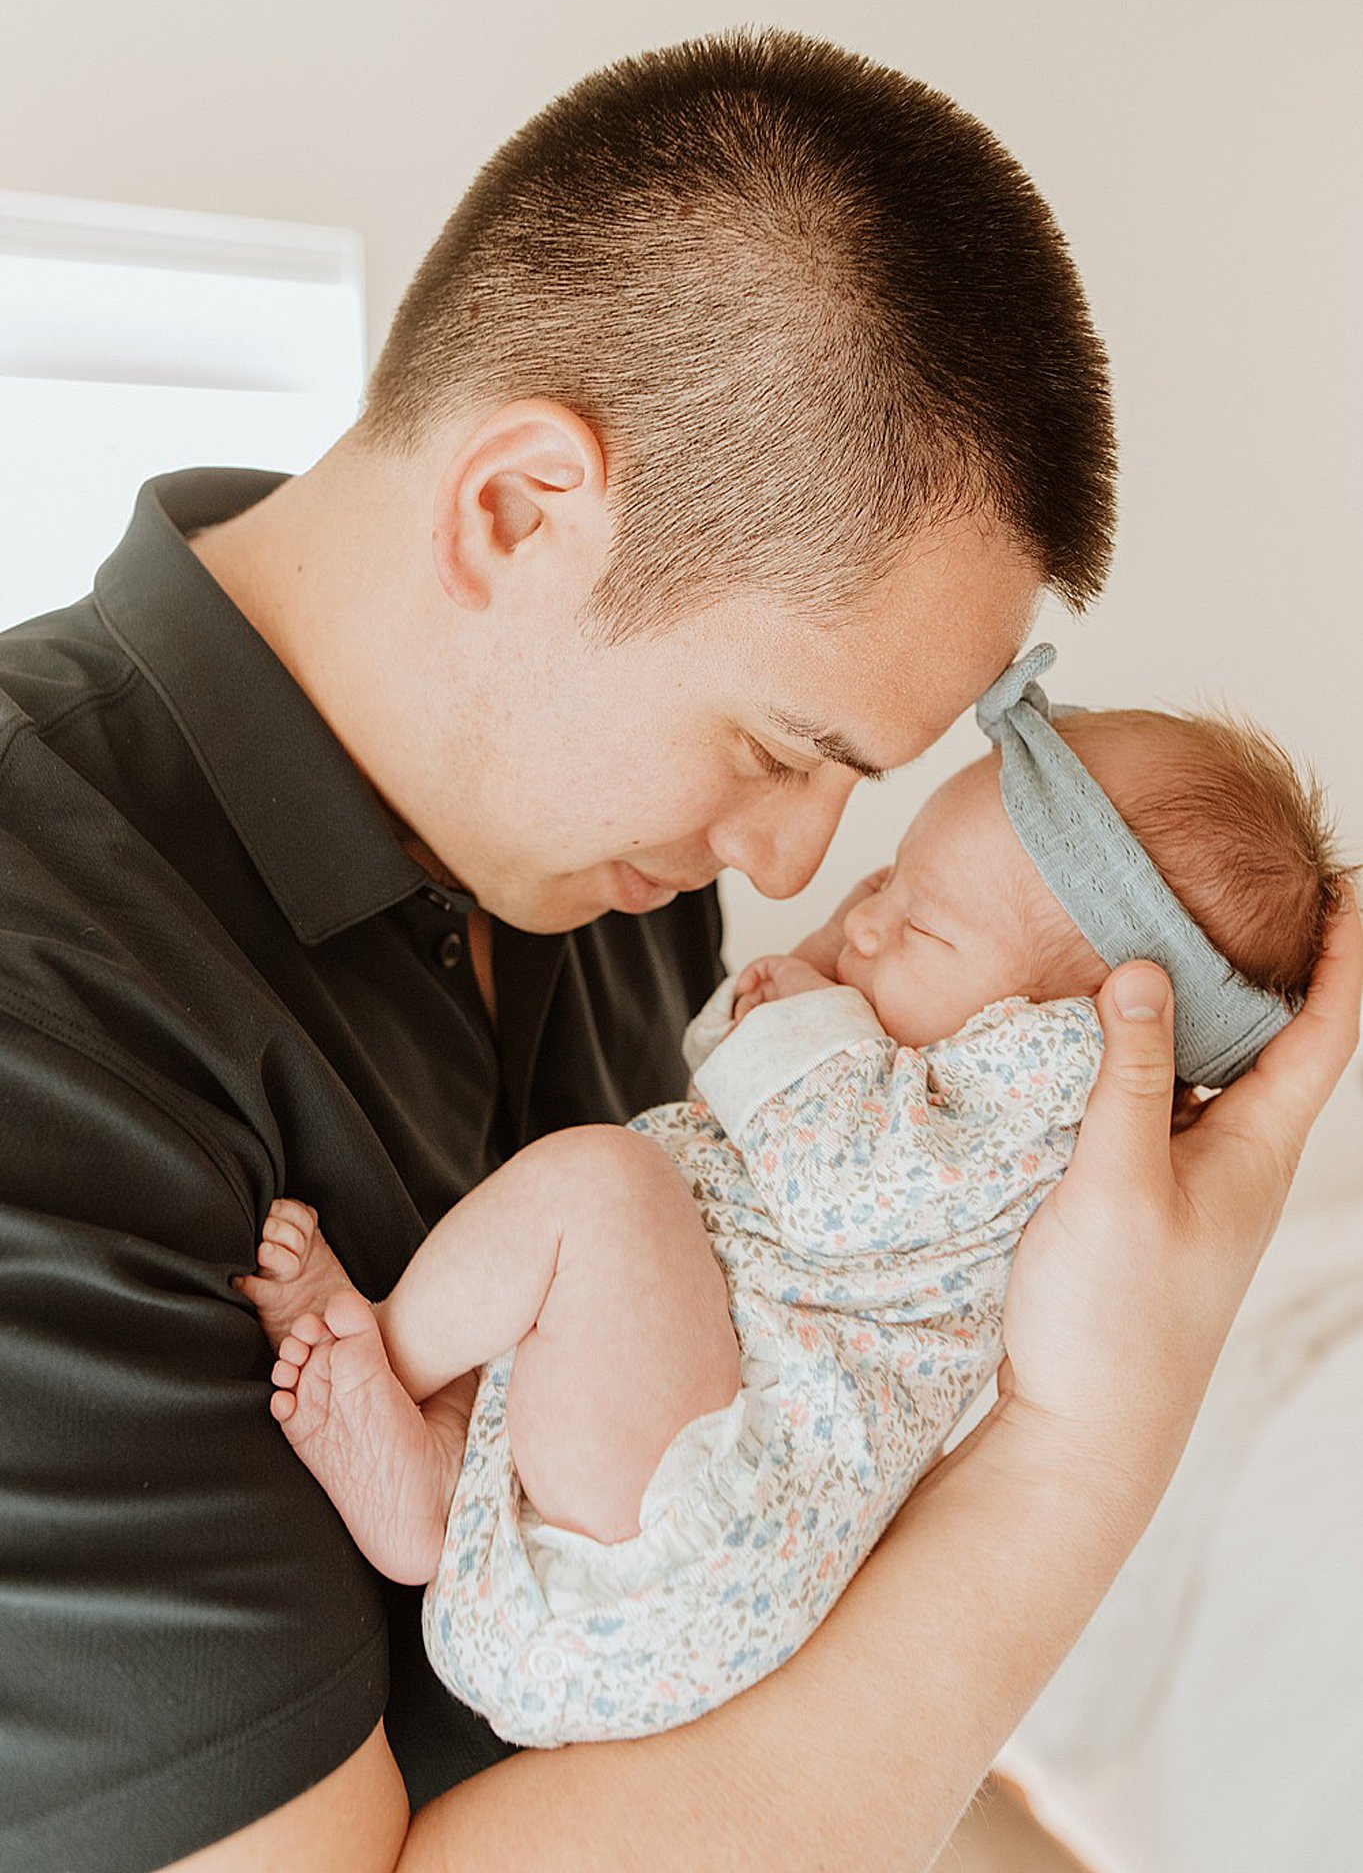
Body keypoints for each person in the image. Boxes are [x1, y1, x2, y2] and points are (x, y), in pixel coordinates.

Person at [0, 25, 1357, 1873]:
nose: (799, 861)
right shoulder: (42, 987)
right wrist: (1080, 1441)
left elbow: (798, 1690)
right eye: (781, 748)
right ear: (519, 509)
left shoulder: (612, 889)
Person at [238, 648, 1352, 1751]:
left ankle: (374, 1357)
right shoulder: (949, 1097)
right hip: (649, 1531)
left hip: (700, 1529)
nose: (863, 920)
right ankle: (437, 1476)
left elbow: (830, 1182)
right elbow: (740, 1112)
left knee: (599, 1185)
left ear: (1058, 1032)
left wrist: (799, 1012)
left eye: (919, 924)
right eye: (886, 882)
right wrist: (806, 993)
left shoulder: (1030, 1115)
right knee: (592, 1272)